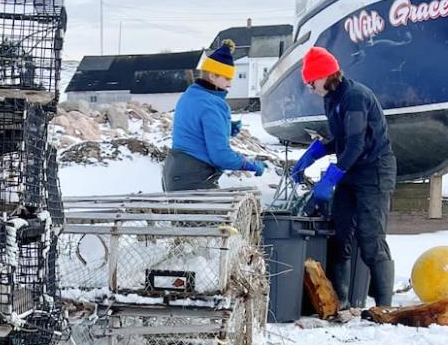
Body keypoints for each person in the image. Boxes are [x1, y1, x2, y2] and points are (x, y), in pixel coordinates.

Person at [289, 46, 397, 307]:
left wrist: (330, 178)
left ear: (325, 75)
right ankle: (341, 302)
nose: (310, 87)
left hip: (374, 169)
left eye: (311, 81)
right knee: (339, 234)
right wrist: (315, 152)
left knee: (370, 238)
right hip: (351, 170)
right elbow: (342, 139)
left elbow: (356, 144)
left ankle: (384, 306)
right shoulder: (332, 99)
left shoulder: (355, 97)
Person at [162, 40, 267, 191]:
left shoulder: (190, 95)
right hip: (193, 178)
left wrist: (227, 128)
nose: (230, 84)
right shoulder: (212, 104)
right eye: (227, 78)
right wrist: (250, 164)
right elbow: (221, 156)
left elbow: (195, 130)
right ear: (212, 75)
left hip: (175, 173)